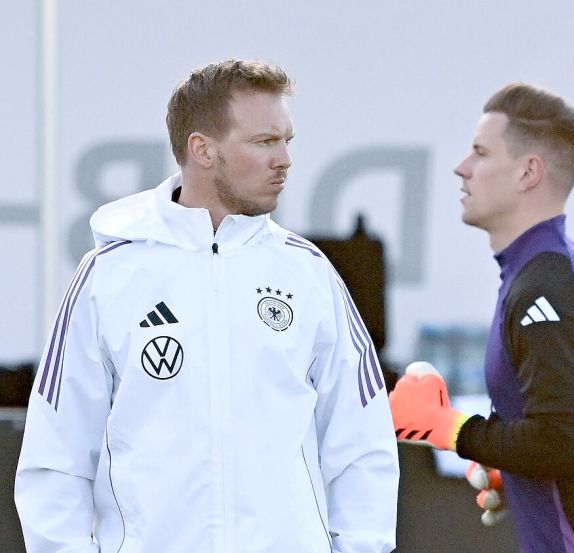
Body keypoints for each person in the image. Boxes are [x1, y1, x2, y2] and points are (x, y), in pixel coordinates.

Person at [16, 59, 399, 553]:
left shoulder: (309, 275)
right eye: (264, 142)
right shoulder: (108, 276)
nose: (284, 159)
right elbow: (56, 456)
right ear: (202, 149)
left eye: (287, 140)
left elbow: (362, 445)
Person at [389, 83, 574, 552]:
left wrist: (448, 426)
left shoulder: (546, 285)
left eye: (480, 153)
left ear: (528, 172)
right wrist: (524, 470)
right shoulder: (573, 267)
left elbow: (565, 443)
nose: (462, 167)